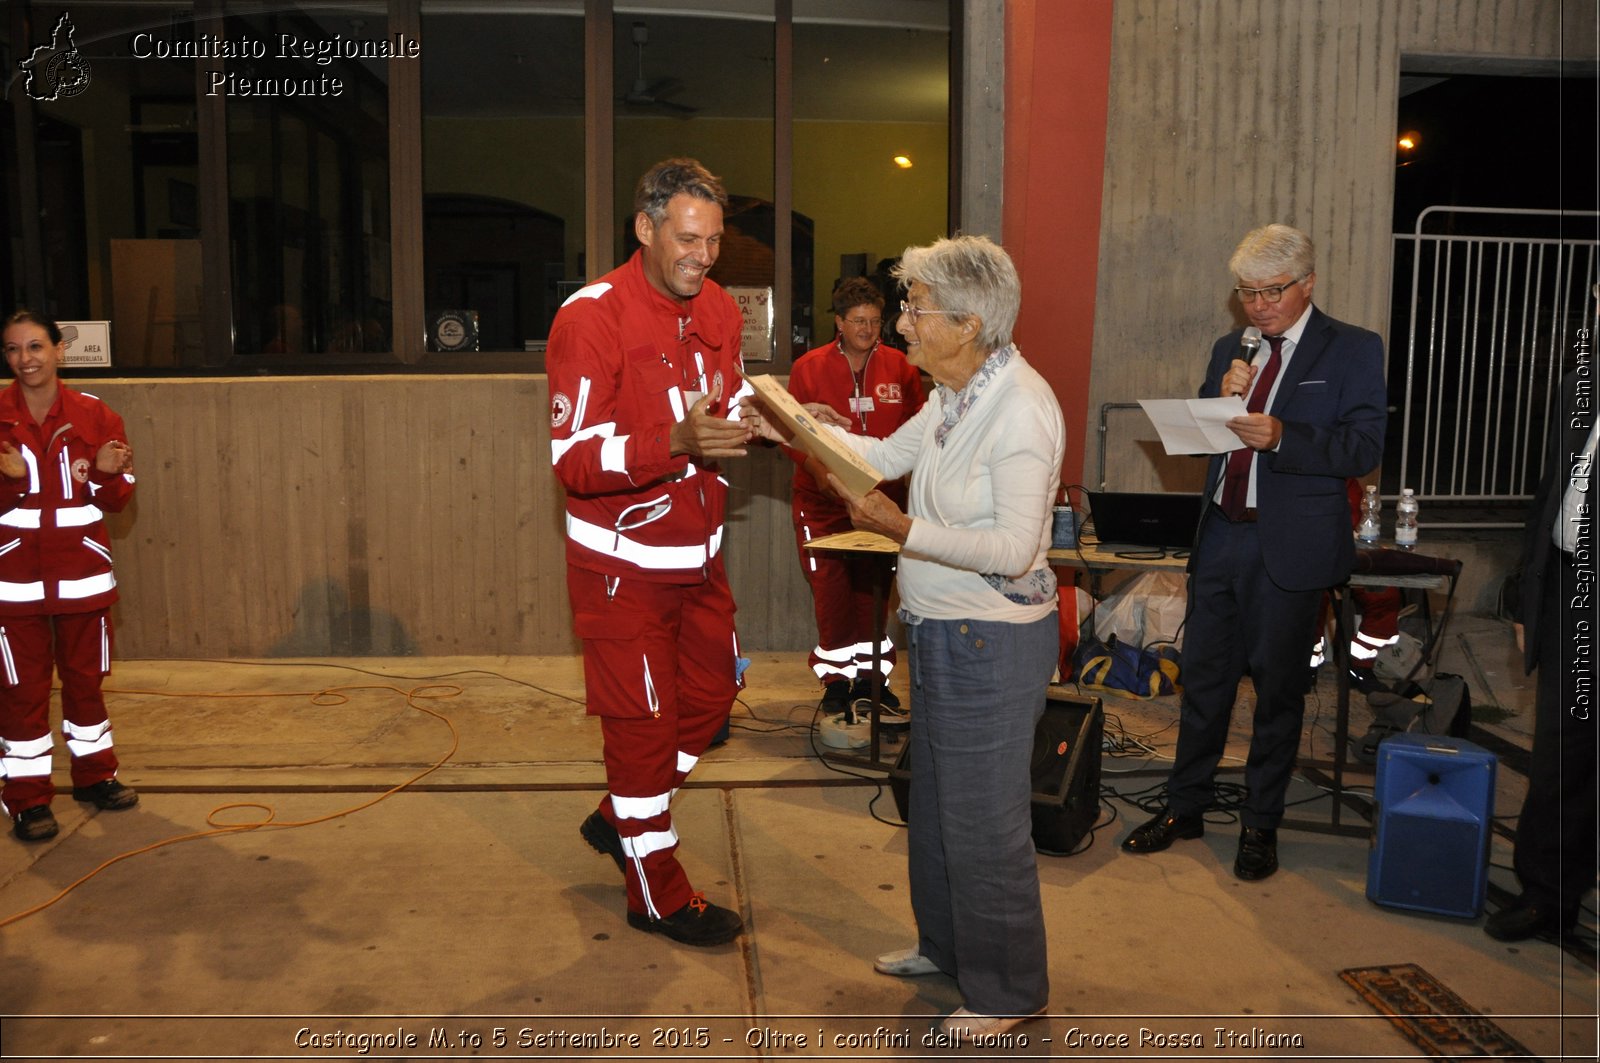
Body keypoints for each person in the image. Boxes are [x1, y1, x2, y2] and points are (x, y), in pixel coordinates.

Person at [745, 235, 1065, 1037]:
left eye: (916, 308)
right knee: (936, 805)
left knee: (987, 822)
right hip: (939, 631)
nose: (901, 322)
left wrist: (905, 528)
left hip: (992, 640)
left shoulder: (1020, 407)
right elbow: (882, 454)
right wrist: (804, 429)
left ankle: (1010, 988)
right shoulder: (953, 394)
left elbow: (1015, 550)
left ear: (966, 321)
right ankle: (947, 946)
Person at [1120, 224, 1387, 880]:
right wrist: (1217, 402)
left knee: (1277, 692)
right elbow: (1209, 443)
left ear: (1308, 284)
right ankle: (1186, 806)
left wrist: (1282, 436)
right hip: (1222, 536)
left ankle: (1261, 823)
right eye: (1247, 293)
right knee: (1204, 683)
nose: (1259, 305)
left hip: (1290, 547)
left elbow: (1363, 448)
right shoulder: (1229, 347)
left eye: (1272, 291)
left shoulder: (1352, 349)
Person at [547, 158, 754, 947]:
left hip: (699, 560)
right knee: (640, 733)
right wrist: (674, 441)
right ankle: (655, 891)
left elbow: (726, 405)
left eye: (714, 242)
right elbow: (573, 458)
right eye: (688, 239)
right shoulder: (589, 317)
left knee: (708, 702)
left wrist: (775, 420)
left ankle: (618, 818)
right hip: (620, 572)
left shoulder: (722, 309)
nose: (703, 257)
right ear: (646, 227)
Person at [0, 310, 139, 842]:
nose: (25, 359)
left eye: (35, 346)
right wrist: (9, 484)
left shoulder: (96, 415)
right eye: (13, 350)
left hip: (83, 579)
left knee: (86, 685)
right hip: (13, 585)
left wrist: (104, 473)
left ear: (60, 350)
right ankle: (28, 799)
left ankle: (96, 776)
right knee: (21, 691)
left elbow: (118, 498)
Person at [1483, 359, 1598, 941]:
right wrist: (1531, 597)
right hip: (1569, 589)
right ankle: (1547, 896)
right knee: (1562, 752)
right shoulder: (1583, 382)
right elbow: (1550, 490)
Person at [787, 276, 924, 740]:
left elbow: (919, 431)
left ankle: (872, 683)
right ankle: (836, 685)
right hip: (821, 503)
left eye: (873, 321)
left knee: (874, 595)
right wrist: (826, 481)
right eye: (857, 321)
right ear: (838, 323)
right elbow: (793, 434)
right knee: (832, 595)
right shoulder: (809, 366)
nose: (867, 329)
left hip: (883, 505)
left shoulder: (901, 368)